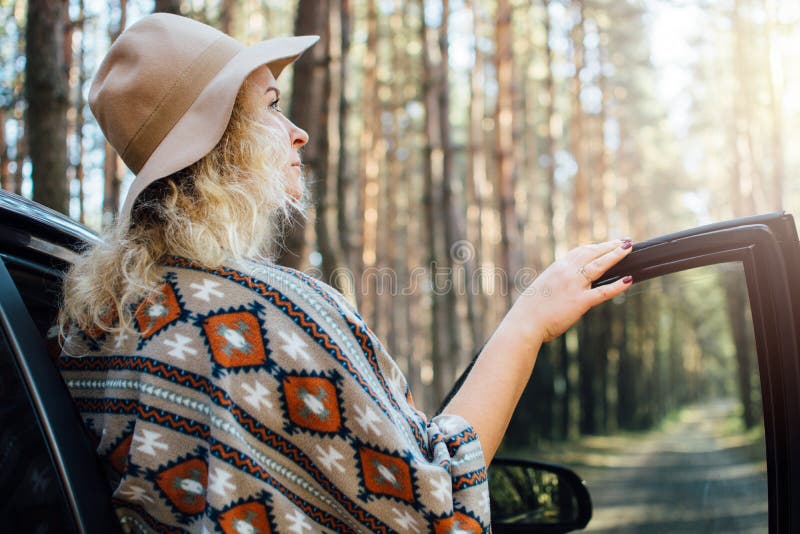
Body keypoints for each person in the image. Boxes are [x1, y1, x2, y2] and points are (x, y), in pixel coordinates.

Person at [57, 13, 634, 534]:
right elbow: (436, 509)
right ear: (219, 138)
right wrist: (527, 321)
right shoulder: (262, 312)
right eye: (272, 106)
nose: (297, 132)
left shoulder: (98, 322)